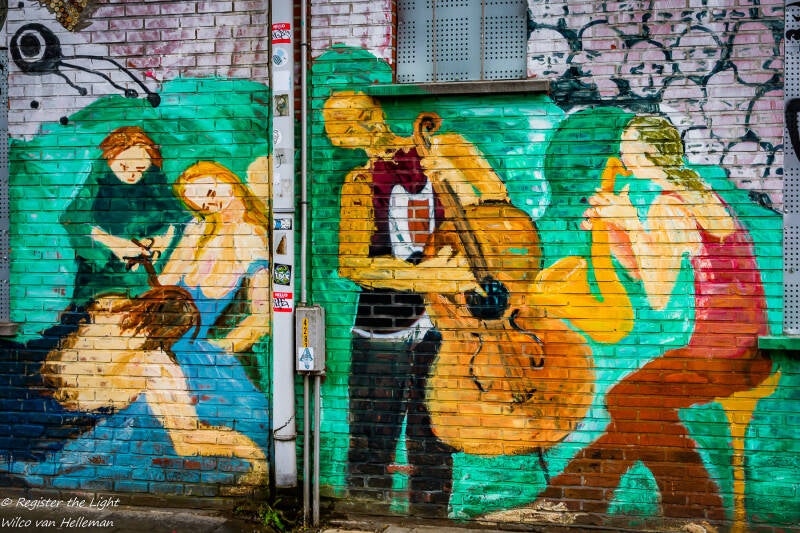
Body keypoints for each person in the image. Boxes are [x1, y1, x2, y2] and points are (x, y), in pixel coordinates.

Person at [324, 91, 634, 515]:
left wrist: (455, 182)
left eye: (364, 115)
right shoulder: (359, 184)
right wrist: (426, 277)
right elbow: (354, 264)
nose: (364, 128)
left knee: (435, 438)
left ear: (378, 111)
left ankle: (430, 519)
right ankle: (363, 515)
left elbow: (500, 214)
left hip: (460, 317)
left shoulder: (448, 147)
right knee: (371, 434)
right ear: (339, 140)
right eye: (346, 127)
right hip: (386, 321)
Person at [538, 114, 773, 520]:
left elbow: (658, 294)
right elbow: (645, 268)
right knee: (634, 412)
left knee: (628, 400)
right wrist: (617, 229)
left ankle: (694, 512)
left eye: (627, 146)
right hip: (736, 347)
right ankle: (571, 503)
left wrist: (629, 221)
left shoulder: (670, 206)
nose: (621, 155)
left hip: (725, 356)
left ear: (646, 154)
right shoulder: (694, 191)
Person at [32, 158, 272, 487]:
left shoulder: (253, 240)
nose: (211, 204)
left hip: (192, 351)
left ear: (228, 181)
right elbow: (167, 281)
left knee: (168, 432)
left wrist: (220, 350)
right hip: (158, 335)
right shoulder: (198, 229)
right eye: (201, 202)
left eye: (212, 192)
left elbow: (262, 316)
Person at [60, 126, 186, 305]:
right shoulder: (98, 179)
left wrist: (162, 240)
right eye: (124, 167)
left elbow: (180, 218)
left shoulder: (154, 179)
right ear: (110, 158)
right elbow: (71, 220)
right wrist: (117, 244)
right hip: (102, 276)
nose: (132, 174)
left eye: (140, 168)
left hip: (146, 275)